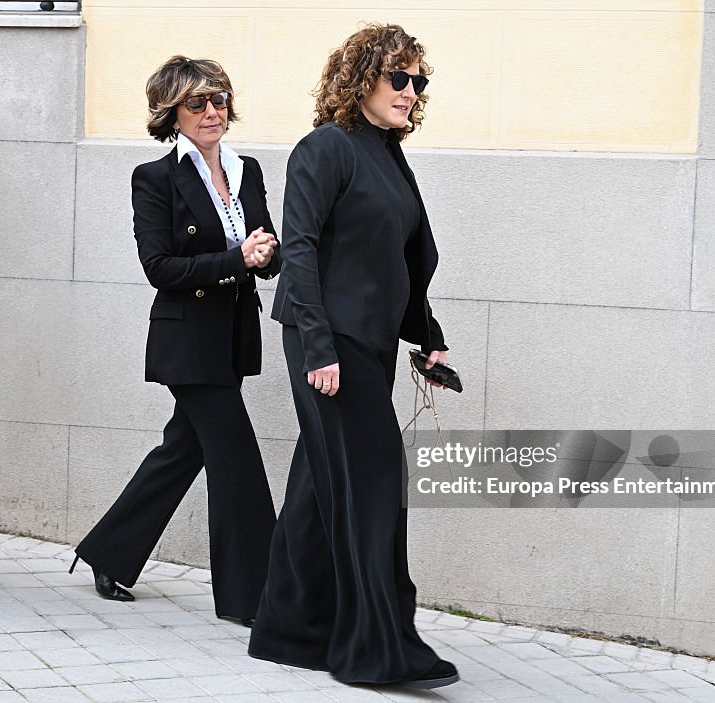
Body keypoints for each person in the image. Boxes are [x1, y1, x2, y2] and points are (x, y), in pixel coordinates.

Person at [248, 24, 459, 688]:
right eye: (398, 77)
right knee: (372, 486)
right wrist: (318, 348)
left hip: (367, 341)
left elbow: (397, 261)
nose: (410, 90)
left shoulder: (388, 155)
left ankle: (291, 628)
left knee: (319, 484)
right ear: (362, 77)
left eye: (418, 80)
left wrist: (427, 334)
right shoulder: (325, 148)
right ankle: (376, 647)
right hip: (327, 340)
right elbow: (301, 249)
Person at [71, 56, 279, 626]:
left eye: (220, 100)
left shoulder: (246, 170)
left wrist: (266, 256)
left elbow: (264, 248)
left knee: (181, 452)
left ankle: (108, 551)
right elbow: (159, 267)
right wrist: (237, 258)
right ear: (172, 113)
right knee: (237, 463)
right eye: (198, 103)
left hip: (231, 338)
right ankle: (258, 598)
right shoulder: (155, 178)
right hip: (187, 342)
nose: (212, 112)